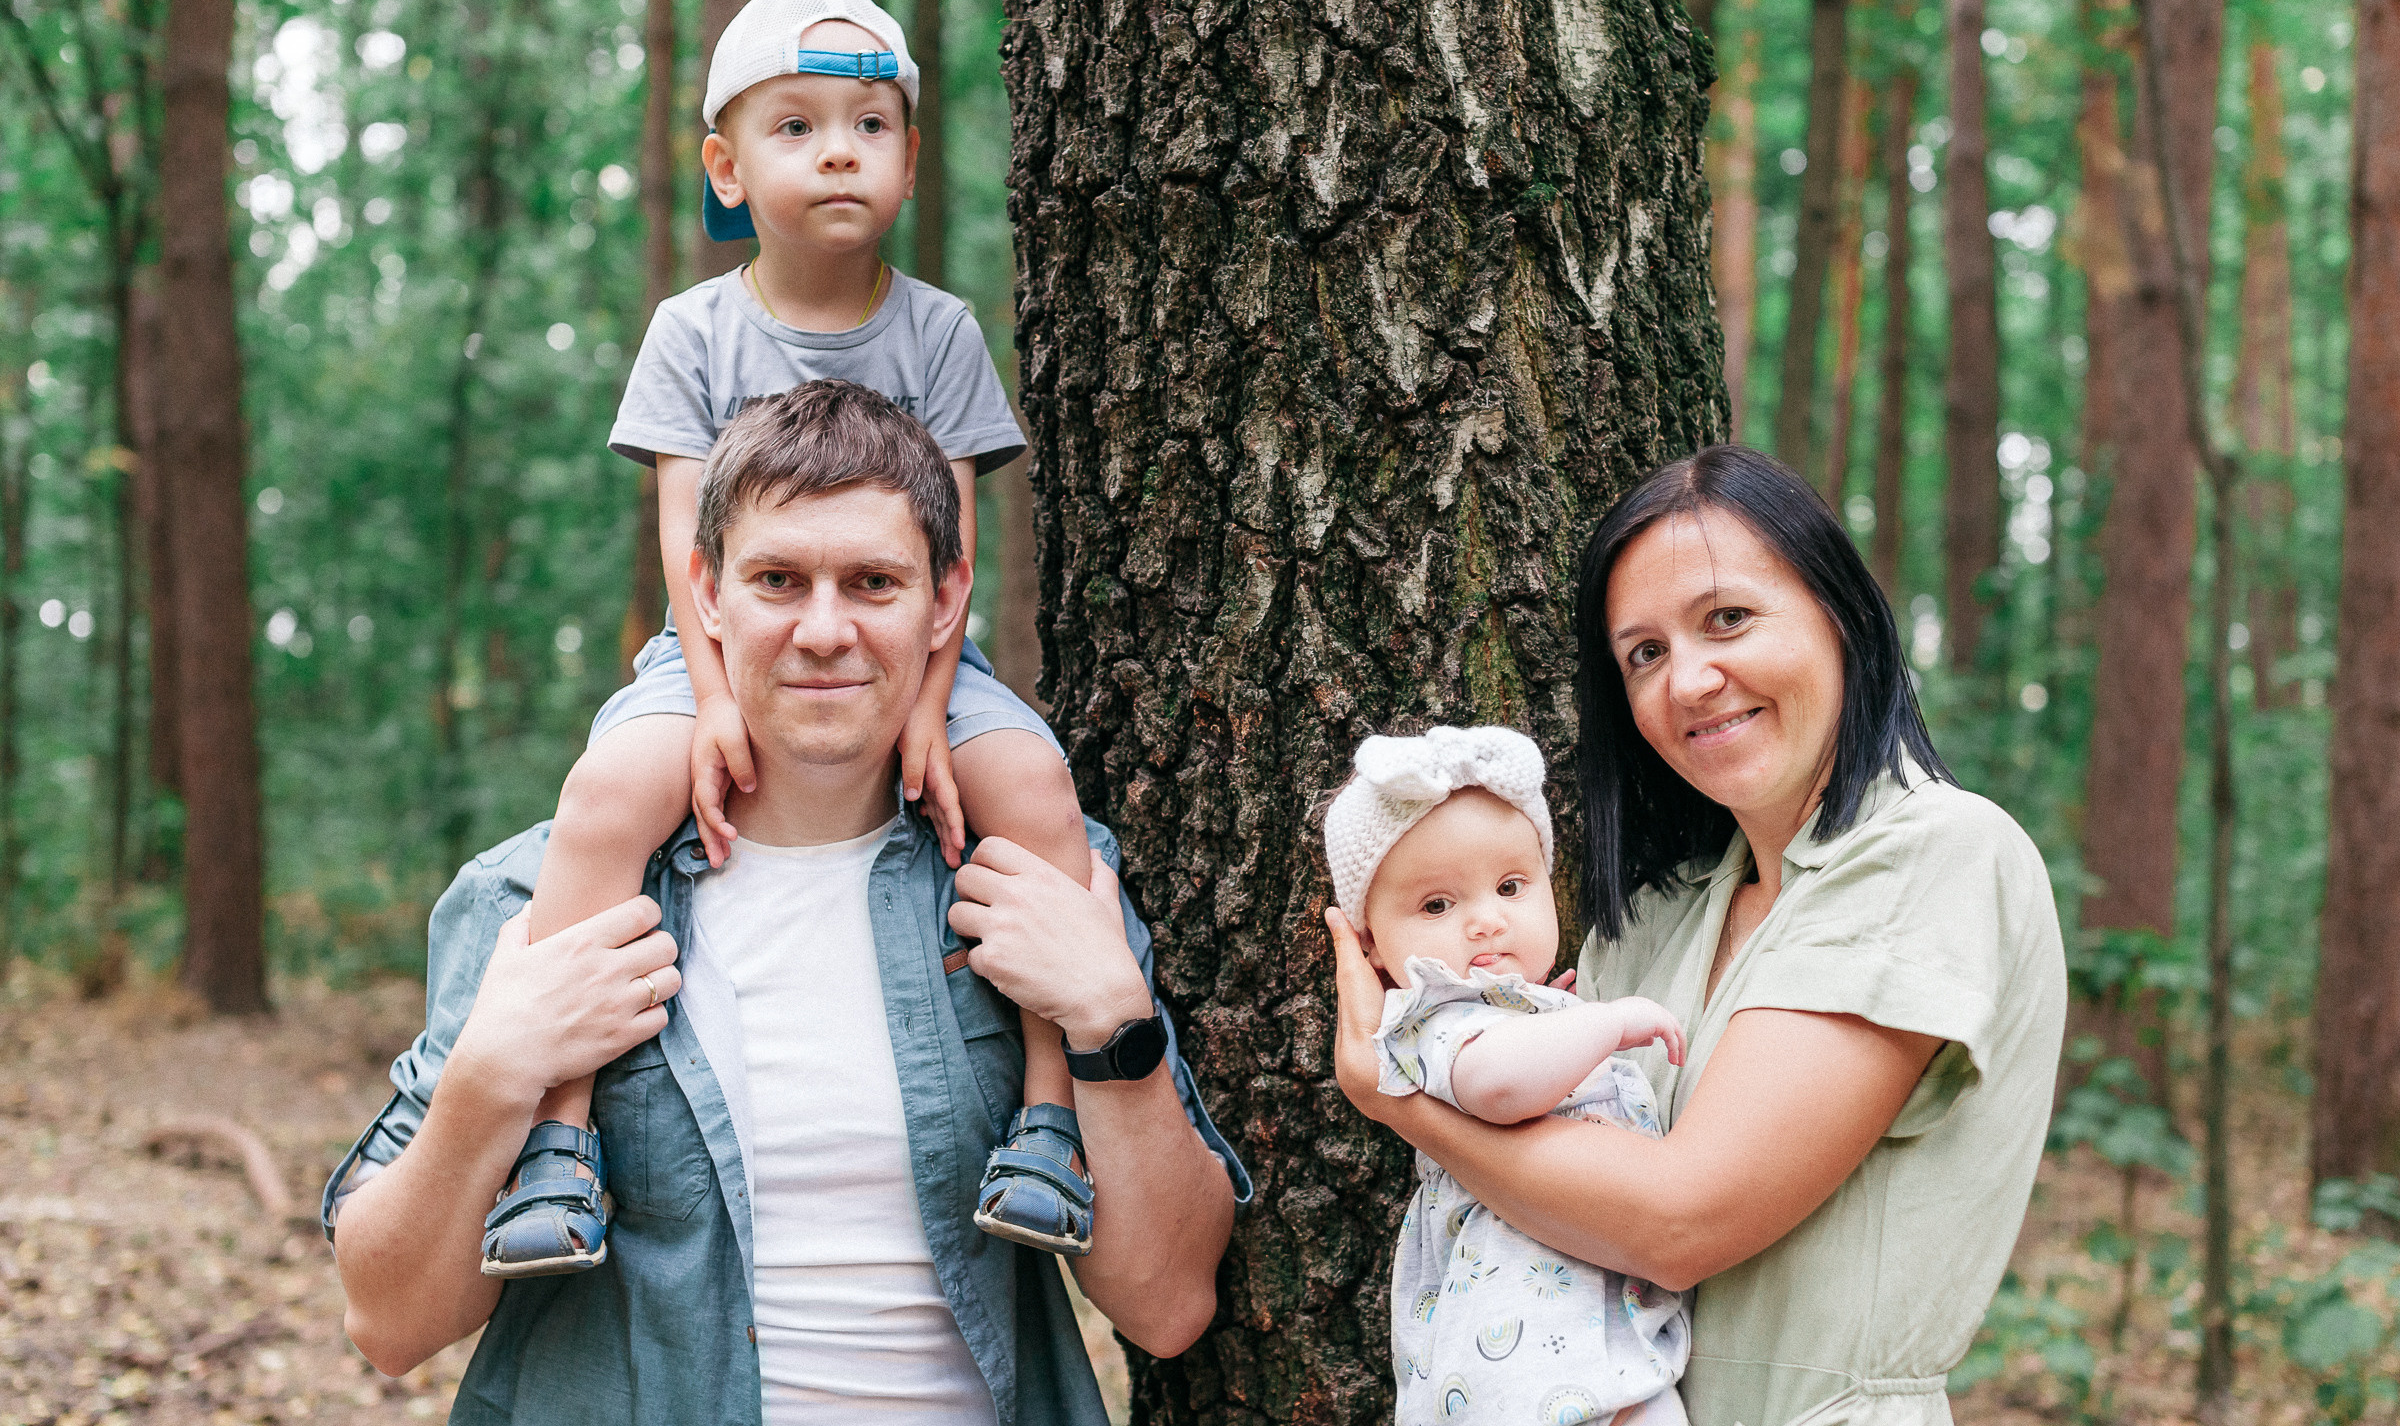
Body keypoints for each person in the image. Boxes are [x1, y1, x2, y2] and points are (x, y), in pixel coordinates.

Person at [325, 383, 1248, 1424]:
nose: (824, 630)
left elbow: (1167, 1305)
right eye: (778, 580)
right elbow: (389, 1319)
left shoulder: (1040, 883)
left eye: (872, 582)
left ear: (945, 601)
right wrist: (492, 1076)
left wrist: (1110, 1021)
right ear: (707, 594)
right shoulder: (546, 896)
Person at [497, 0, 1098, 1276]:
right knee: (609, 792)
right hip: (714, 648)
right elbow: (682, 535)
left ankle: (1052, 1116)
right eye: (797, 125)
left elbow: (958, 536)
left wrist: (934, 703)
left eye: (870, 125)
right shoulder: (695, 331)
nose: (839, 149)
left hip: (919, 653)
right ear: (726, 164)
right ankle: (556, 1133)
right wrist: (711, 696)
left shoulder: (936, 332)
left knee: (1039, 790)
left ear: (910, 157)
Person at [1327, 444, 2068, 1426]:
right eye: (1645, 653)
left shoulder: (1936, 855)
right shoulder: (1659, 921)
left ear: (1843, 617)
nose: (1690, 679)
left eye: (1728, 618)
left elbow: (1680, 1220)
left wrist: (1404, 1097)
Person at [1325, 724, 1690, 1426]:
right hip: (1528, 1362)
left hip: (1596, 1344)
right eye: (1437, 905)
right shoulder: (1433, 1015)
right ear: (1371, 945)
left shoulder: (1518, 1009)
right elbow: (1496, 1085)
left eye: (1510, 886)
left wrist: (1561, 1021)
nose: (1486, 922)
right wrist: (1602, 1026)